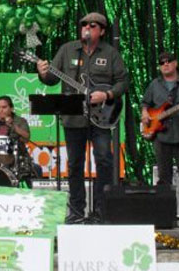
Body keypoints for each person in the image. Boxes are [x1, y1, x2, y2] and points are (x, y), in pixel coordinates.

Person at [36, 12, 129, 224]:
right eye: (84, 24)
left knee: (104, 160)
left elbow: (123, 82)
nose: (87, 28)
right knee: (75, 164)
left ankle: (100, 209)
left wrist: (106, 95)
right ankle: (76, 210)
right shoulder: (67, 50)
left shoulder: (111, 53)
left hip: (101, 117)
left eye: (92, 25)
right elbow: (51, 78)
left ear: (102, 31)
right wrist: (43, 72)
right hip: (73, 117)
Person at [140, 52, 179, 223]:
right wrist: (145, 114)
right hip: (161, 135)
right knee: (163, 177)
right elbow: (145, 103)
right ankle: (164, 212)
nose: (165, 65)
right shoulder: (154, 84)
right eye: (162, 63)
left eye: (168, 62)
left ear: (175, 63)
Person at [0, 95, 39, 184]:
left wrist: (13, 125)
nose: (0, 110)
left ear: (11, 108)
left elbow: (26, 137)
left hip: (15, 160)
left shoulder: (20, 121)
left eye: (4, 107)